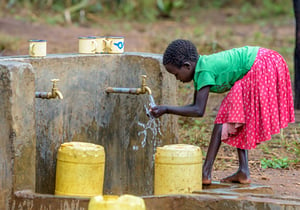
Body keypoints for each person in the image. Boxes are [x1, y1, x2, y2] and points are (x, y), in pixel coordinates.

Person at [149, 39, 295, 184]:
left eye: (176, 74)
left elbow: (198, 110)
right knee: (236, 115)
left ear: (187, 66)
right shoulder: (201, 69)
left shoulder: (204, 71)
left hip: (262, 63)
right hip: (266, 61)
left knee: (225, 115)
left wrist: (166, 109)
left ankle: (205, 172)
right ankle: (243, 171)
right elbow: (195, 106)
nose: (177, 79)